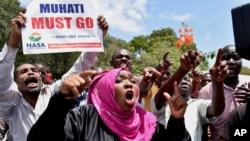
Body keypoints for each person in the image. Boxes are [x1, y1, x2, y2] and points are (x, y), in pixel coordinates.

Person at [0, 9, 108, 141]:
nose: (30, 72)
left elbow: (80, 68)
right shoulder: (11, 106)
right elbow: (2, 78)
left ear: (41, 77)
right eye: (24, 72)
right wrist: (14, 40)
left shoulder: (53, 92)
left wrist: (95, 39)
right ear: (15, 83)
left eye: (34, 71)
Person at [27, 68, 191, 141]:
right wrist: (61, 102)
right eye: (119, 81)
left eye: (133, 81)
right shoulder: (82, 118)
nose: (129, 84)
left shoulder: (149, 123)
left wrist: (177, 121)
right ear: (105, 90)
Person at [150, 48, 228, 141]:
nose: (184, 82)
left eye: (187, 80)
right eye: (181, 79)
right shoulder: (165, 101)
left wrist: (217, 83)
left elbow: (216, 110)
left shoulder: (198, 104)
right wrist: (183, 70)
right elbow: (160, 97)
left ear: (192, 85)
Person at [198, 45, 248, 141]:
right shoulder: (206, 92)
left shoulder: (248, 85)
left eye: (236, 58)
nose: (231, 62)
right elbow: (200, 126)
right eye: (225, 58)